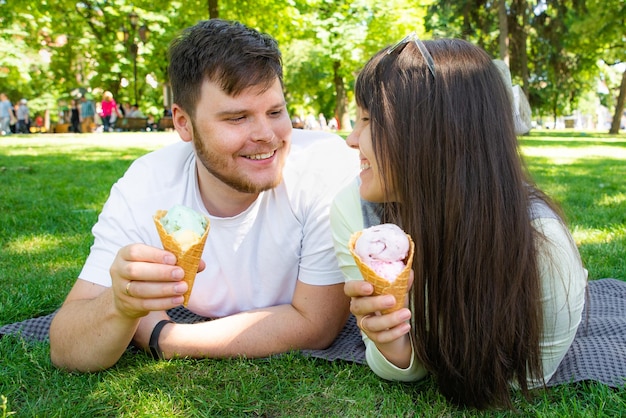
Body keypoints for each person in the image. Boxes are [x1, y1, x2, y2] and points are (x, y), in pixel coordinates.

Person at [50, 19, 358, 372]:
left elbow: (315, 324)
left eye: (275, 112)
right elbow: (65, 348)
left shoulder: (325, 166)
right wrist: (121, 305)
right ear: (183, 122)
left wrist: (161, 336)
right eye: (237, 118)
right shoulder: (148, 183)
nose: (267, 135)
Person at [330, 36, 587, 409]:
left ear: (432, 133)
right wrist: (391, 343)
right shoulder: (352, 212)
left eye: (369, 119)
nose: (352, 139)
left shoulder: (541, 243)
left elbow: (529, 375)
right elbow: (397, 360)